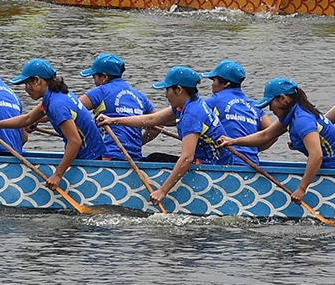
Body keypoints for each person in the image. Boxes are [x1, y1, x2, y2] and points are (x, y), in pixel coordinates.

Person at [102, 65, 237, 208]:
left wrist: (162, 191)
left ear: (178, 90)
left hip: (214, 169)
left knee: (155, 160)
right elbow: (151, 120)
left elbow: (186, 158)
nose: (166, 95)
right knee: (155, 158)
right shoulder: (190, 103)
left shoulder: (192, 114)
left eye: (167, 90)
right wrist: (113, 121)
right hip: (209, 163)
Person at [221, 78, 335, 207]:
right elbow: (265, 135)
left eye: (271, 103)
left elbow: (316, 156)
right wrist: (232, 141)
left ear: (283, 98)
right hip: (325, 167)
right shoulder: (291, 114)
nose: (270, 109)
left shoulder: (302, 119)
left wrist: (302, 189)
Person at [0, 58, 101, 187]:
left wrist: (58, 175)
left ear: (38, 80)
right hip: (89, 155)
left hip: (90, 160)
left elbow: (75, 141)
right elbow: (27, 119)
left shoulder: (57, 104)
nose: (26, 89)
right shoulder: (55, 95)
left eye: (27, 83)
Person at [76, 53, 149, 159]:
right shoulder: (139, 96)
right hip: (134, 157)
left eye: (94, 77)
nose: (94, 82)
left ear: (104, 77)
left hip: (108, 156)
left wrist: (45, 117)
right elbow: (157, 126)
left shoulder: (101, 92)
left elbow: (69, 109)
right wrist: (137, 142)